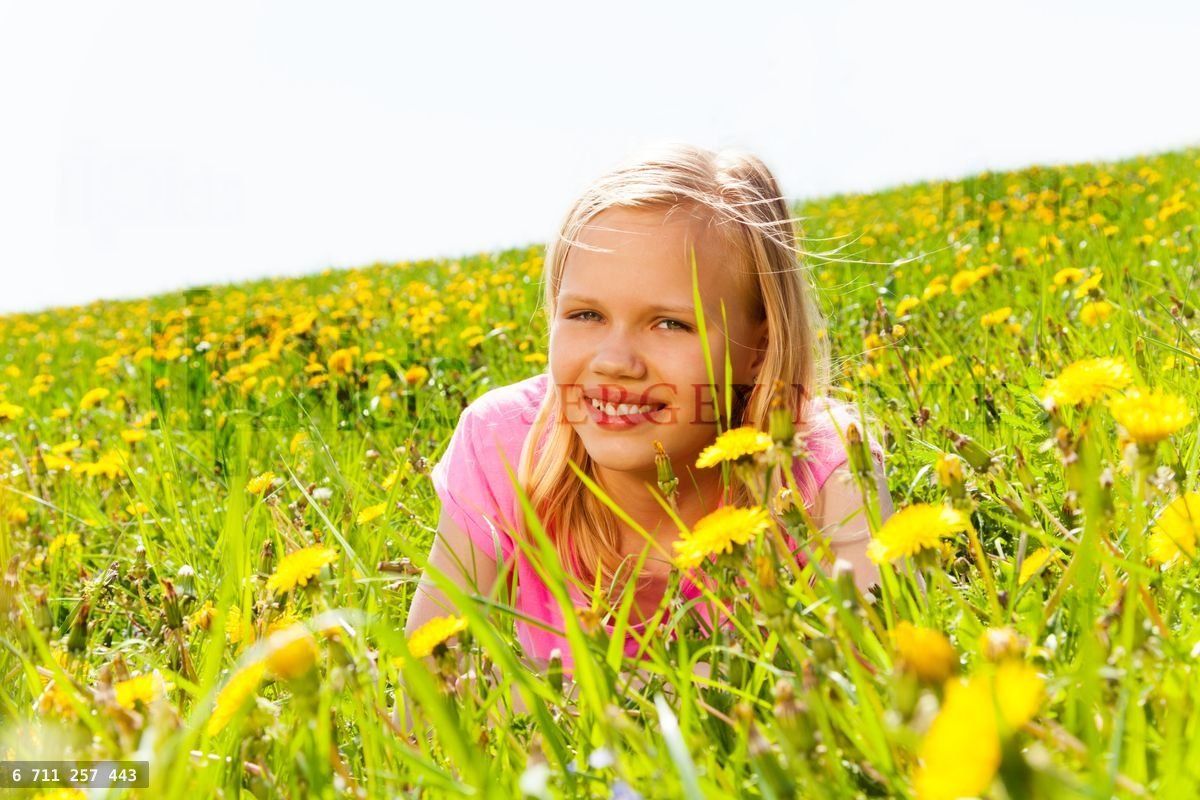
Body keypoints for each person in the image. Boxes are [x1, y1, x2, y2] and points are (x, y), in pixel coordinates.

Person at [404, 142, 893, 676]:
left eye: (670, 324)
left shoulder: (822, 465)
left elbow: (880, 674)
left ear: (760, 347)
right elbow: (424, 692)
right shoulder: (503, 444)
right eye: (586, 314)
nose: (614, 362)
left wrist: (574, 696)